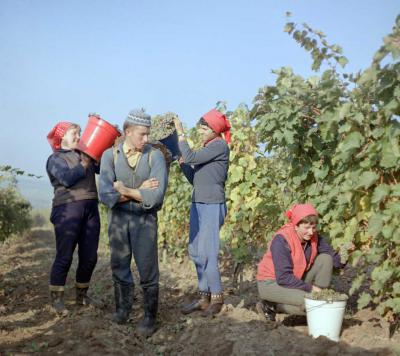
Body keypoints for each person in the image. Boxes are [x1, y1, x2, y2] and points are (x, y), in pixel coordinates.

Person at [99, 109, 168, 337]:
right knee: (119, 265)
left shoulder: (154, 157)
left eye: (148, 134)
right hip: (118, 221)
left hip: (145, 221)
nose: (146, 139)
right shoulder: (110, 156)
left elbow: (156, 197)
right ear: (128, 131)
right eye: (142, 134)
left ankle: (149, 317)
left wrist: (125, 190)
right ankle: (122, 310)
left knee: (148, 268)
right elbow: (106, 196)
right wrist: (140, 192)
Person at [173, 109, 231, 317]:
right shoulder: (208, 149)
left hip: (212, 205)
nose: (201, 132)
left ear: (215, 130)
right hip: (198, 202)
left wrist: (180, 133)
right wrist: (183, 165)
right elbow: (194, 179)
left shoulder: (219, 146)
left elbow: (189, 155)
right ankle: (204, 297)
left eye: (204, 129)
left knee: (208, 252)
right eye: (201, 129)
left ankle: (217, 296)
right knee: (196, 251)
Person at [46, 122, 101, 315]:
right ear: (62, 137)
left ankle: (82, 296)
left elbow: (103, 166)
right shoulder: (55, 159)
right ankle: (57, 301)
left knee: (90, 256)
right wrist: (84, 163)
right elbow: (67, 179)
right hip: (66, 210)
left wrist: (105, 142)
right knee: (65, 256)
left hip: (91, 208)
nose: (78, 136)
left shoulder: (86, 154)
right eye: (74, 133)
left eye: (79, 132)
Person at [256, 203, 343, 321]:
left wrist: (346, 253)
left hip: (294, 279)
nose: (311, 232)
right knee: (316, 304)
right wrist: (310, 288)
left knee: (326, 258)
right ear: (296, 226)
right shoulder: (281, 240)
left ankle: (312, 298)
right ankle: (270, 305)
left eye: (313, 227)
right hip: (272, 283)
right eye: (306, 228)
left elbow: (335, 260)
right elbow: (283, 278)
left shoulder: (314, 237)